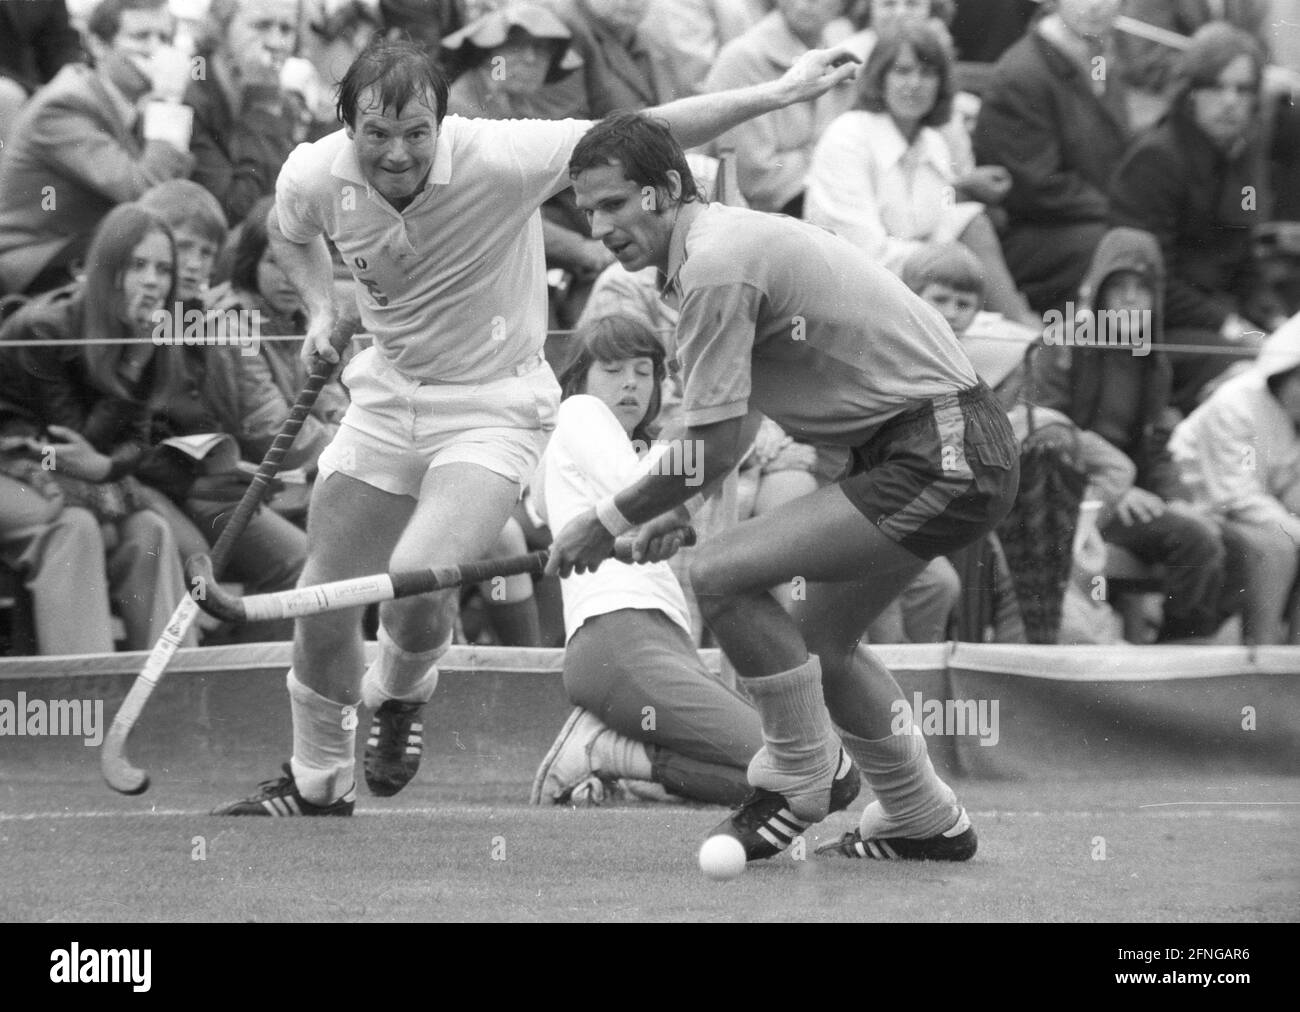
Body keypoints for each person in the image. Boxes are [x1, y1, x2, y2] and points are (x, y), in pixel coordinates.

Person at [210, 36, 859, 817]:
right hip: (384, 396)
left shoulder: (502, 155)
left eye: (417, 132)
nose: (397, 153)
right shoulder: (315, 173)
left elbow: (646, 129)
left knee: (413, 585)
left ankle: (399, 695)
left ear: (443, 125)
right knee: (321, 600)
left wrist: (778, 92)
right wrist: (321, 308)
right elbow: (289, 231)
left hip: (493, 406)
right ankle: (317, 782)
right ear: (346, 123)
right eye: (376, 134)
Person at [548, 112, 1019, 864]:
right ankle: (924, 818)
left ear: (667, 190)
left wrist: (605, 519)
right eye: (587, 211)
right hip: (930, 448)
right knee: (822, 644)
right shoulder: (721, 249)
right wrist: (683, 505)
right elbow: (729, 429)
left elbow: (709, 442)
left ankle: (805, 773)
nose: (600, 227)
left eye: (612, 204)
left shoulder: (714, 263)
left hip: (943, 450)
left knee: (718, 576)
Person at [530, 314, 765, 806]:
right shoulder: (578, 412)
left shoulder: (648, 450)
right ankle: (603, 751)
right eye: (613, 369)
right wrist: (699, 432)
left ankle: (617, 760)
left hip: (663, 643)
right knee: (789, 764)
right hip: (619, 637)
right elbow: (635, 498)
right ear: (580, 378)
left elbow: (648, 503)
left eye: (645, 370)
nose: (632, 383)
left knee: (795, 783)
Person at [0, 202, 194, 650]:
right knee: (76, 527)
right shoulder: (44, 329)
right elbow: (73, 442)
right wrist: (129, 364)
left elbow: (136, 444)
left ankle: (174, 696)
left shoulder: (142, 333)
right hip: (16, 463)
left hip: (72, 478)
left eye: (163, 270)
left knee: (149, 530)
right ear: (107, 269)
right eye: (138, 265)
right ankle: (87, 700)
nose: (152, 282)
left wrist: (105, 470)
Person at [132, 182, 308, 642]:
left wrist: (225, 465)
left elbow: (196, 419)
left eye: (206, 253)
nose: (193, 265)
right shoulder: (181, 321)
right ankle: (241, 684)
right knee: (295, 560)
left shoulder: (196, 318)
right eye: (182, 248)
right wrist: (217, 470)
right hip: (162, 483)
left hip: (195, 477)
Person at [1108, 22, 1291, 412]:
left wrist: (1273, 319)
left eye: (1243, 90)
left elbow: (1243, 259)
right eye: (1216, 87)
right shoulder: (1156, 159)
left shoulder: (1239, 158)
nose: (1230, 101)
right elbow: (1148, 281)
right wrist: (1232, 327)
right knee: (1259, 377)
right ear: (1191, 93)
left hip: (1217, 313)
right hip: (1156, 329)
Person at [805, 19, 1035, 324]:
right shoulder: (848, 138)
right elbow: (862, 252)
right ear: (879, 78)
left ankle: (1021, 325)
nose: (914, 84)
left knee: (973, 222)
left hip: (919, 291)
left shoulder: (933, 142)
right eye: (902, 71)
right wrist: (944, 261)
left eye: (927, 73)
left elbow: (938, 229)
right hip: (852, 296)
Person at [0, 0, 193, 296]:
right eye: (141, 37)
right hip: (32, 267)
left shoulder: (131, 104)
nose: (157, 50)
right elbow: (145, 195)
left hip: (85, 256)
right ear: (99, 46)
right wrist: (168, 99)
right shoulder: (66, 105)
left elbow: (178, 190)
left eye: (165, 39)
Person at [973, 0, 1133, 314]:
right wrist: (1123, 211)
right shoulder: (1023, 73)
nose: (1096, 5)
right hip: (1034, 234)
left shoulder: (1100, 56)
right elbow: (1035, 186)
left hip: (1090, 217)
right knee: (1120, 247)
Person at [1170, 313, 1300, 644]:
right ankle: (1262, 652)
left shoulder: (1292, 419)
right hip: (1197, 503)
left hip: (1259, 513)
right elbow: (1234, 495)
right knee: (1278, 549)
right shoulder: (1236, 403)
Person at [702, 0, 848, 215]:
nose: (804, 3)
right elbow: (755, 179)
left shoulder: (844, 57)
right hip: (752, 222)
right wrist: (828, 160)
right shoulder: (741, 58)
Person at [184, 0, 304, 226]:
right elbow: (238, 210)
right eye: (262, 26)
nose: (276, 43)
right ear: (221, 27)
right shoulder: (193, 94)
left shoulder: (283, 102)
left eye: (286, 29)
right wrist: (263, 105)